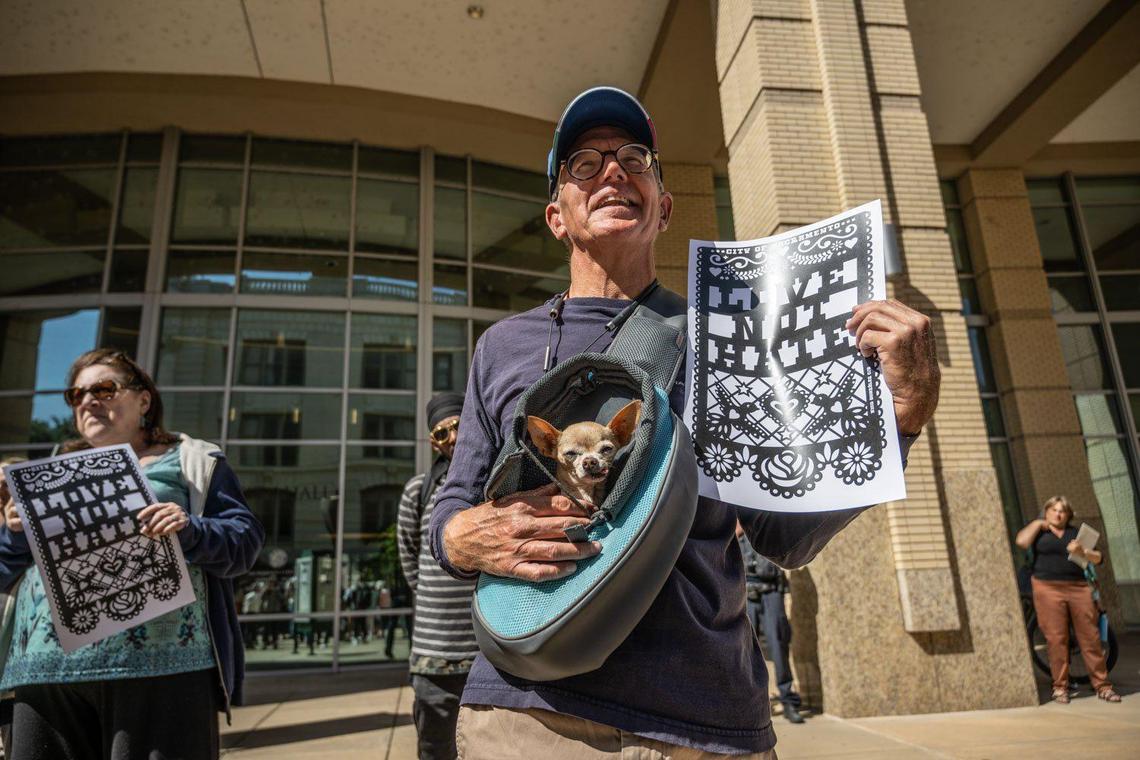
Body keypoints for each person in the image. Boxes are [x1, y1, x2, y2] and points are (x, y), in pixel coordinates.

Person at [428, 86, 941, 758]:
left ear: (664, 206)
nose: (613, 170)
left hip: (700, 719)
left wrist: (900, 420)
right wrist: (459, 537)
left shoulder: (731, 339)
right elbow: (454, 503)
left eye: (635, 158)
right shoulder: (502, 345)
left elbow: (784, 534)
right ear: (557, 216)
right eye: (584, 164)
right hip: (528, 716)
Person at [0, 349, 265, 759]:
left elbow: (244, 544)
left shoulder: (190, 461)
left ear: (144, 400)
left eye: (105, 388)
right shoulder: (47, 472)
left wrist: (190, 530)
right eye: (77, 395)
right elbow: (4, 569)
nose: (89, 401)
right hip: (45, 675)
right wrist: (16, 533)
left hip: (162, 673)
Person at [397, 392, 477, 760]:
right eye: (443, 434)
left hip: (487, 655)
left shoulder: (494, 486)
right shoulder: (418, 490)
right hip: (433, 655)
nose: (455, 438)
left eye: (460, 426)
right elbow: (410, 562)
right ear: (434, 442)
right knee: (434, 749)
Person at [1015, 496, 1120, 704]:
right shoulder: (1038, 533)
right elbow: (1021, 541)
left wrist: (1083, 551)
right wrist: (1037, 523)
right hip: (1047, 588)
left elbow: (1099, 559)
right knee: (1056, 639)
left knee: (1090, 637)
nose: (1058, 513)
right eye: (1053, 510)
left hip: (1078, 588)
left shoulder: (1076, 534)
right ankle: (1060, 687)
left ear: (1068, 514)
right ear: (1046, 512)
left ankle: (1103, 686)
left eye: (1062, 510)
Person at [736, 521, 803, 724]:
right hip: (746, 590)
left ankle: (788, 700)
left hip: (772, 590)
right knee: (744, 651)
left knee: (779, 646)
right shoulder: (733, 515)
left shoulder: (767, 518)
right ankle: (750, 704)